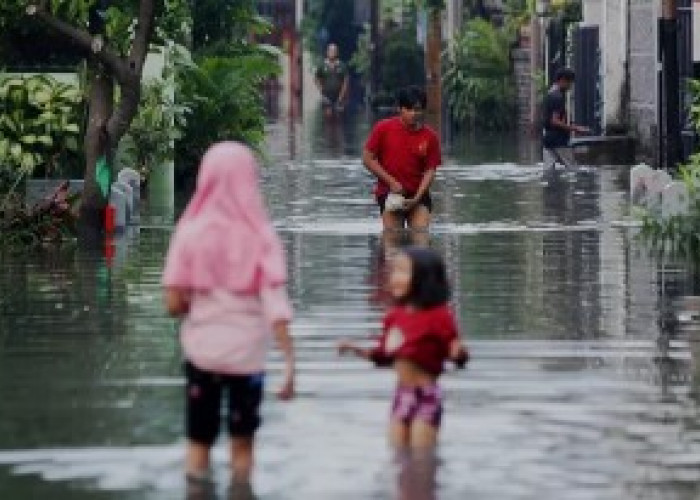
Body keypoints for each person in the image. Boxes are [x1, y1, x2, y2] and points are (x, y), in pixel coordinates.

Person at [162, 142, 295, 489]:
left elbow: (173, 303)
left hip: (202, 354)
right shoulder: (261, 235)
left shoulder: (188, 232)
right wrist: (290, 366)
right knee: (242, 449)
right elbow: (276, 307)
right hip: (247, 359)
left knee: (198, 446)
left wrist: (199, 305)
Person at [337, 247, 469, 449]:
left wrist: (458, 352)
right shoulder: (394, 317)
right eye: (394, 271)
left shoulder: (439, 316)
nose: (394, 277)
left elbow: (454, 351)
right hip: (401, 395)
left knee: (422, 458)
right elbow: (383, 356)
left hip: (427, 396)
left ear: (423, 279)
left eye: (402, 271)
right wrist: (355, 348)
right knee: (398, 455)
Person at [363, 86, 441, 244]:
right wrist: (391, 182)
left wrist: (417, 197)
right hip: (390, 193)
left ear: (423, 111)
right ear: (400, 109)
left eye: (417, 109)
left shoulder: (430, 137)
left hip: (418, 194)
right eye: (409, 109)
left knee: (420, 237)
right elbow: (367, 158)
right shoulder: (383, 129)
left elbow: (430, 170)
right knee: (392, 239)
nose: (413, 114)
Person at [542, 68, 590, 177]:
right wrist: (576, 129)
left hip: (548, 139)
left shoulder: (550, 94)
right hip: (559, 140)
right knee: (573, 169)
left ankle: (551, 193)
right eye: (570, 83)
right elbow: (555, 121)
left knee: (548, 171)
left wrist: (573, 125)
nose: (570, 86)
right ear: (562, 80)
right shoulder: (557, 97)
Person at [314, 43, 349, 118]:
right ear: (327, 52)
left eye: (334, 51)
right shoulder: (322, 65)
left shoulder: (342, 66)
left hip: (340, 97)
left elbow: (345, 82)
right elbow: (316, 78)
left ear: (337, 53)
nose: (332, 53)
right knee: (328, 118)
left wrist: (341, 97)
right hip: (327, 96)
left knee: (339, 118)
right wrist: (321, 90)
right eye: (330, 51)